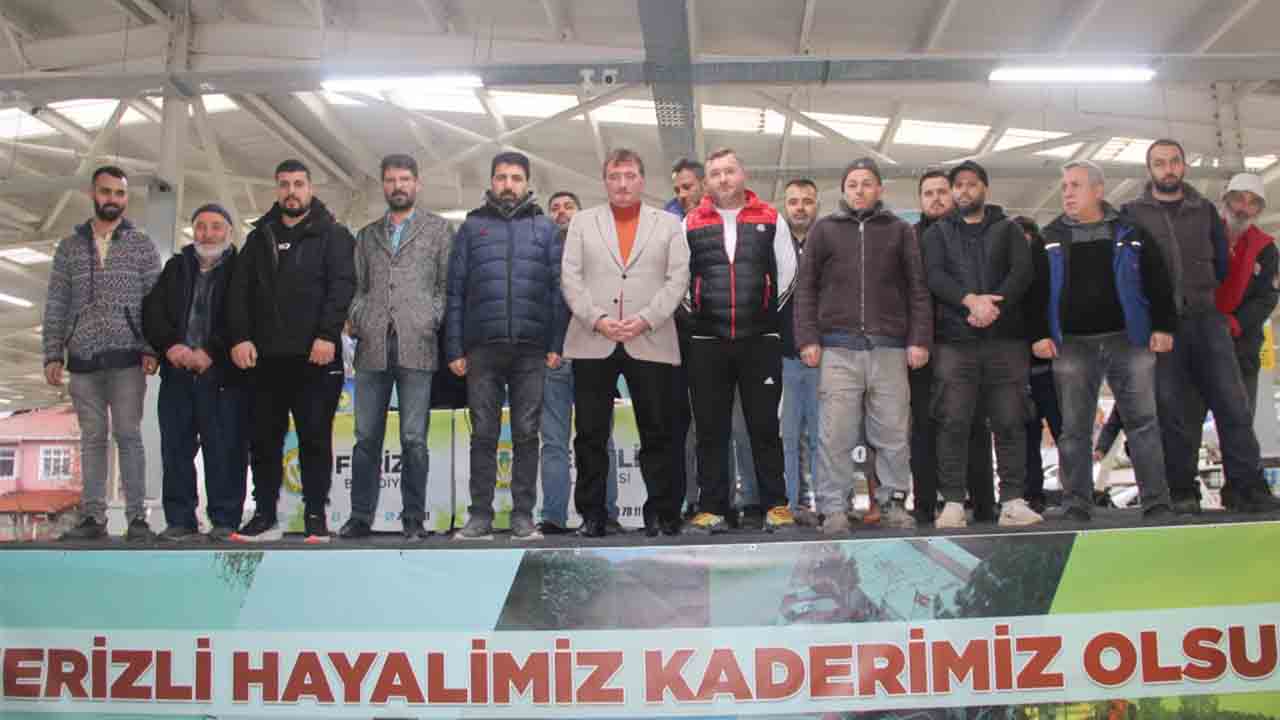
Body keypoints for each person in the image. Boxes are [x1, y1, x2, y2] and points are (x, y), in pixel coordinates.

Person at [1124, 140, 1277, 513]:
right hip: (1164, 327)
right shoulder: (1132, 214)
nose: (1168, 169)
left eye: (1174, 161)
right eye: (1160, 163)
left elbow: (1220, 266)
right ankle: (1182, 492)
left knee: (1234, 406)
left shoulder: (1204, 211)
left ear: (1183, 166)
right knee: (1174, 412)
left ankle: (1247, 489)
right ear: (1150, 169)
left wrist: (1209, 304)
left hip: (1208, 321)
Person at [1027, 160, 1175, 522]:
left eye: (1075, 185)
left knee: (1143, 423)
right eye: (1065, 186)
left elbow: (1158, 280)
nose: (1067, 193)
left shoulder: (1132, 232)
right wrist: (1039, 334)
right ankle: (1076, 503)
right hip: (1072, 344)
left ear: (1098, 190)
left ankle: (1157, 502)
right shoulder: (1049, 237)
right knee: (1073, 429)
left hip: (1129, 340)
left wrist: (1163, 326)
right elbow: (1035, 291)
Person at [795, 158, 930, 533]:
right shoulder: (824, 231)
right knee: (835, 435)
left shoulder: (900, 231)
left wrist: (919, 340)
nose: (859, 190)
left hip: (890, 350)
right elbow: (805, 289)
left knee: (893, 434)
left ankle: (893, 503)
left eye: (867, 183)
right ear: (843, 190)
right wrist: (807, 338)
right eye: (852, 184)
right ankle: (833, 508)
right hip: (837, 350)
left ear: (879, 189)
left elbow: (917, 289)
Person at [561, 149, 690, 537]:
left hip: (650, 336)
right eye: (615, 176)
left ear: (642, 180)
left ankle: (662, 512)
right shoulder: (582, 223)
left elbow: (678, 278)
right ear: (605, 181)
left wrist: (647, 318)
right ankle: (593, 514)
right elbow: (570, 277)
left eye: (630, 176)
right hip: (592, 338)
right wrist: (597, 319)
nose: (622, 184)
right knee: (590, 434)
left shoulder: (669, 224)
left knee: (658, 431)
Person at [227, 159, 356, 543]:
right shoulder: (258, 237)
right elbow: (239, 293)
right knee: (263, 441)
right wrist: (240, 338)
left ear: (310, 188)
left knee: (315, 438)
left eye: (298, 184)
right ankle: (264, 515)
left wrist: (327, 335)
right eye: (284, 184)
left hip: (315, 357)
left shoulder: (334, 235)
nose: (291, 191)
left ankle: (315, 516)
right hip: (265, 360)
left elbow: (342, 287)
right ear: (277, 189)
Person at [447, 151, 566, 540]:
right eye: (501, 177)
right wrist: (454, 348)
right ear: (492, 182)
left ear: (527, 183)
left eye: (516, 178)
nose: (508, 185)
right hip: (482, 348)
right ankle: (479, 515)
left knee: (527, 433)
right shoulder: (471, 228)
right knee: (483, 432)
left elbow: (558, 290)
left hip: (532, 349)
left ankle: (522, 515)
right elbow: (455, 291)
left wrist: (556, 342)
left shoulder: (545, 229)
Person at [682, 148, 797, 534]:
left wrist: (763, 314)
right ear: (707, 181)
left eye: (729, 171)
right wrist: (700, 314)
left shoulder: (771, 218)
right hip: (706, 341)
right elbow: (679, 277)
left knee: (764, 426)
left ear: (743, 174)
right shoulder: (690, 223)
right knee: (710, 429)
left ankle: (776, 505)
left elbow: (788, 273)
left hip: (759, 340)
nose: (723, 179)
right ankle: (712, 508)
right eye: (715, 173)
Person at [43, 166, 161, 541]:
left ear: (126, 198)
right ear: (92, 194)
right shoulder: (69, 247)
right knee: (92, 438)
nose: (113, 199)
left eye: (119, 193)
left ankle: (137, 518)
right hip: (82, 361)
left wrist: (151, 347)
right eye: (106, 191)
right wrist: (52, 353)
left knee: (129, 435)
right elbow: (57, 301)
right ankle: (92, 517)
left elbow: (155, 302)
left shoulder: (142, 245)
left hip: (128, 358)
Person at [922, 160, 1041, 528]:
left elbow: (1022, 273)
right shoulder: (937, 234)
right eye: (958, 185)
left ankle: (1013, 501)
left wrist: (991, 307)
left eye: (971, 184)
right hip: (955, 342)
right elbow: (934, 276)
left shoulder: (1009, 230)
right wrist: (970, 301)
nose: (963, 191)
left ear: (984, 188)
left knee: (1009, 421)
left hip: (1005, 342)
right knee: (952, 423)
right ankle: (953, 503)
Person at [340, 154, 452, 540]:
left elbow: (445, 286)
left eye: (404, 179)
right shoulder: (367, 235)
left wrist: (430, 318)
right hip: (371, 346)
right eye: (390, 180)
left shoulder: (439, 230)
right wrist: (359, 315)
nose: (398, 186)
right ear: (383, 185)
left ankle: (413, 518)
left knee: (414, 439)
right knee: (365, 438)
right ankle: (360, 517)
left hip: (417, 345)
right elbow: (358, 287)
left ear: (417, 184)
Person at [142, 203, 248, 542]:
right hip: (177, 373)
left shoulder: (242, 270)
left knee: (224, 449)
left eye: (216, 226)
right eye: (201, 226)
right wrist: (170, 346)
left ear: (229, 232)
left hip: (223, 376)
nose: (208, 233)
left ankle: (225, 519)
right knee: (175, 448)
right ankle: (180, 520)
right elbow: (153, 312)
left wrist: (211, 351)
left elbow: (244, 317)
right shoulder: (176, 267)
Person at [909, 170, 996, 524]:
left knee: (974, 424)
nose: (936, 199)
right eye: (928, 193)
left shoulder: (973, 235)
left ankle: (984, 504)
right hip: (921, 347)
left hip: (965, 342)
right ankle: (925, 505)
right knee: (923, 427)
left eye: (942, 191)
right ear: (920, 200)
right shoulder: (910, 238)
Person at [538, 190, 623, 535]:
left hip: (595, 354)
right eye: (555, 208)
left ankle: (606, 513)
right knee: (553, 442)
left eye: (568, 206)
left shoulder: (600, 250)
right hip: (553, 358)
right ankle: (554, 517)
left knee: (600, 439)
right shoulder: (540, 254)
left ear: (581, 212)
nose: (561, 212)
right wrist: (548, 345)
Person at [1012, 216, 1063, 514]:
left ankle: (1076, 491)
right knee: (1025, 436)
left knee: (1064, 430)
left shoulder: (1047, 274)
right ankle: (1031, 494)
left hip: (1049, 368)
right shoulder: (1007, 277)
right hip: (1020, 370)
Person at [778, 178, 821, 523]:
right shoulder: (774, 244)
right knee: (787, 436)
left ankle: (827, 506)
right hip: (783, 357)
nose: (800, 208)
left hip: (824, 356)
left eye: (807, 201)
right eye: (794, 201)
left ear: (816, 205)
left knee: (823, 437)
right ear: (785, 206)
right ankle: (790, 505)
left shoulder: (828, 243)